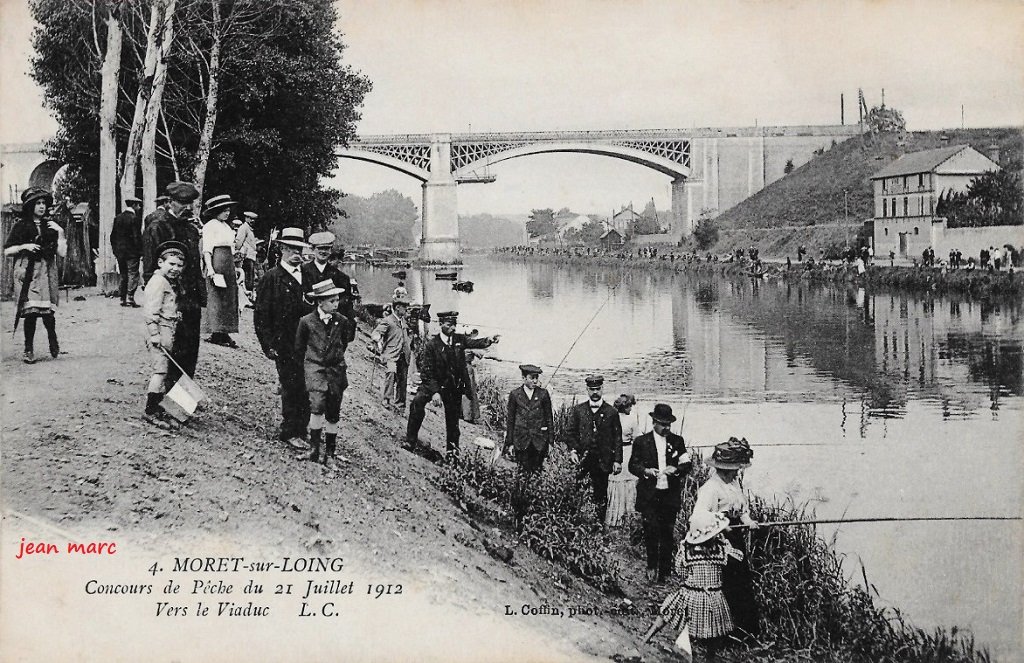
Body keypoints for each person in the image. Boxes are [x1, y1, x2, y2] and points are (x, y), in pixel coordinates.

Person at [640, 511, 739, 660]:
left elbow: (680, 570)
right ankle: (708, 657)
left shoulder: (687, 549)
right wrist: (725, 541)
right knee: (713, 631)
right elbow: (738, 558)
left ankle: (646, 638)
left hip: (691, 594)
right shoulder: (720, 548)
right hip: (714, 595)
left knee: (667, 611)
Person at [405, 311, 499, 456]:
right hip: (433, 384)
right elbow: (426, 373)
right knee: (417, 403)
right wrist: (435, 392)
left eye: (454, 325)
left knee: (453, 422)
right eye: (449, 325)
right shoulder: (432, 345)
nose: (453, 328)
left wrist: (489, 340)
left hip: (452, 386)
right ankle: (410, 441)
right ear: (441, 324)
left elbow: (474, 342)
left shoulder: (459, 339)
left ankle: (452, 453)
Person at [692, 437, 759, 638]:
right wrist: (722, 525)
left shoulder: (733, 484)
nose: (738, 472)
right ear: (725, 469)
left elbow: (741, 509)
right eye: (735, 469)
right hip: (718, 541)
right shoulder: (710, 489)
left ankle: (745, 630)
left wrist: (748, 521)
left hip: (735, 538)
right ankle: (723, 632)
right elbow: (699, 516)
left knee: (742, 582)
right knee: (727, 584)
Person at [254, 227, 314, 450]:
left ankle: (302, 428)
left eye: (298, 248)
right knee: (291, 385)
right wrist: (267, 344)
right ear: (281, 249)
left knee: (307, 385)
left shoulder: (307, 276)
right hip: (284, 342)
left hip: (307, 343)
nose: (295, 253)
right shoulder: (272, 278)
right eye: (290, 249)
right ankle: (290, 430)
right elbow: (261, 313)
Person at [142, 181, 205, 390]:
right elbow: (152, 266)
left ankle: (182, 398)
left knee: (189, 350)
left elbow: (196, 265)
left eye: (188, 204)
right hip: (171, 298)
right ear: (170, 201)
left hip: (191, 298)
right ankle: (163, 396)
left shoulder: (191, 229)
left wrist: (199, 295)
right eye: (181, 203)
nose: (185, 208)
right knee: (169, 351)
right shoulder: (158, 226)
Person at [295, 279, 356, 468]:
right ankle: (314, 450)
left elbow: (343, 344)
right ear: (319, 302)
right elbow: (300, 347)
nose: (336, 304)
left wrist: (335, 359)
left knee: (333, 411)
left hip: (336, 370)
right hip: (315, 369)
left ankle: (330, 453)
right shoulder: (306, 322)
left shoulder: (342, 321)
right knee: (317, 405)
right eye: (332, 301)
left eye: (337, 300)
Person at [630, 403, 691, 582]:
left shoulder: (677, 441)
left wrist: (677, 469)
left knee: (667, 532)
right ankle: (651, 566)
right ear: (654, 422)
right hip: (650, 495)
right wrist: (647, 471)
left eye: (669, 425)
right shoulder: (641, 442)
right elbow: (633, 465)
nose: (666, 428)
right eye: (663, 424)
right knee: (651, 530)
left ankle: (665, 571)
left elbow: (687, 464)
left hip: (669, 496)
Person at [4, 187, 66, 364]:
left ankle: (52, 339)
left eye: (43, 203)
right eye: (37, 203)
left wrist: (60, 233)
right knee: (30, 312)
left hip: (46, 271)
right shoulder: (21, 225)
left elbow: (62, 253)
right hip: (27, 272)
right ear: (30, 206)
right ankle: (28, 349)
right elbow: (7, 251)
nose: (41, 206)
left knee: (47, 313)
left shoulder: (51, 226)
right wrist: (25, 247)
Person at [566, 375, 623, 524]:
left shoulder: (612, 412)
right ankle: (576, 523)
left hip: (603, 461)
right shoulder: (578, 410)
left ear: (602, 389)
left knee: (601, 494)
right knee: (578, 490)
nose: (595, 392)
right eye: (592, 389)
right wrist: (573, 451)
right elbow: (570, 433)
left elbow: (617, 437)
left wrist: (617, 460)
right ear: (587, 390)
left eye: (598, 389)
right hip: (582, 460)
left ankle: (598, 525)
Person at [142, 241, 187, 425]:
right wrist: (154, 333)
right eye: (171, 264)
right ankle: (150, 410)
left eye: (179, 265)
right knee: (159, 371)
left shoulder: (167, 282)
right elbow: (150, 311)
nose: (175, 269)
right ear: (160, 263)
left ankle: (158, 406)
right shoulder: (158, 282)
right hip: (159, 331)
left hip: (168, 329)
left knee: (165, 370)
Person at [200, 195, 239, 348]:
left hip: (228, 263)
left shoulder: (226, 227)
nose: (227, 213)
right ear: (216, 211)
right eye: (224, 211)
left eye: (228, 211)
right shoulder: (210, 225)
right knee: (217, 295)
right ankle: (216, 331)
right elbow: (207, 249)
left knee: (228, 296)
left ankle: (224, 330)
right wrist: (210, 268)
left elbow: (232, 247)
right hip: (217, 261)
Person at [503, 364, 554, 473]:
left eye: (536, 377)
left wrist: (550, 442)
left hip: (539, 441)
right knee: (522, 472)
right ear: (524, 378)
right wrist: (510, 443)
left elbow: (549, 418)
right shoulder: (515, 394)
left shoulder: (543, 394)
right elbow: (510, 420)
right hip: (521, 441)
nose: (535, 381)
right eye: (532, 378)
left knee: (537, 472)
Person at [302, 231, 354, 321]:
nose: (323, 251)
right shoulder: (302, 273)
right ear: (313, 249)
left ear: (330, 250)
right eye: (320, 248)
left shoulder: (341, 277)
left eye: (327, 248)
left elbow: (347, 310)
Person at [371, 295, 411, 410]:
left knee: (402, 380)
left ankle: (400, 405)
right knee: (391, 374)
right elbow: (376, 332)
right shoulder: (388, 320)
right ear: (397, 307)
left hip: (404, 355)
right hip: (391, 355)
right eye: (404, 307)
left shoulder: (403, 321)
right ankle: (387, 400)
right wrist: (377, 338)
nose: (406, 309)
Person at [606, 394, 638, 527]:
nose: (631, 408)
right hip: (628, 451)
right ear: (625, 407)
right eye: (630, 406)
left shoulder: (612, 417)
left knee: (616, 483)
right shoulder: (632, 420)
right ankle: (629, 515)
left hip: (615, 453)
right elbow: (637, 438)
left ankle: (614, 517)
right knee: (629, 482)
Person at [110, 196, 143, 307]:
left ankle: (122, 299)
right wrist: (140, 251)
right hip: (132, 252)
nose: (139, 207)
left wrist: (115, 250)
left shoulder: (118, 217)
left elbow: (112, 236)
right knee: (133, 273)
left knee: (123, 275)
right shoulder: (134, 218)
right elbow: (136, 237)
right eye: (138, 205)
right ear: (133, 205)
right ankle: (130, 297)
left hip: (120, 252)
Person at [233, 210, 259, 296]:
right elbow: (239, 243)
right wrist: (238, 254)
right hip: (246, 256)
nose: (253, 221)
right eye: (250, 218)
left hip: (251, 256)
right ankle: (246, 295)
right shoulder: (243, 228)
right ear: (246, 218)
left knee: (250, 276)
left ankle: (249, 295)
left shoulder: (249, 229)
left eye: (254, 219)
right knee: (247, 276)